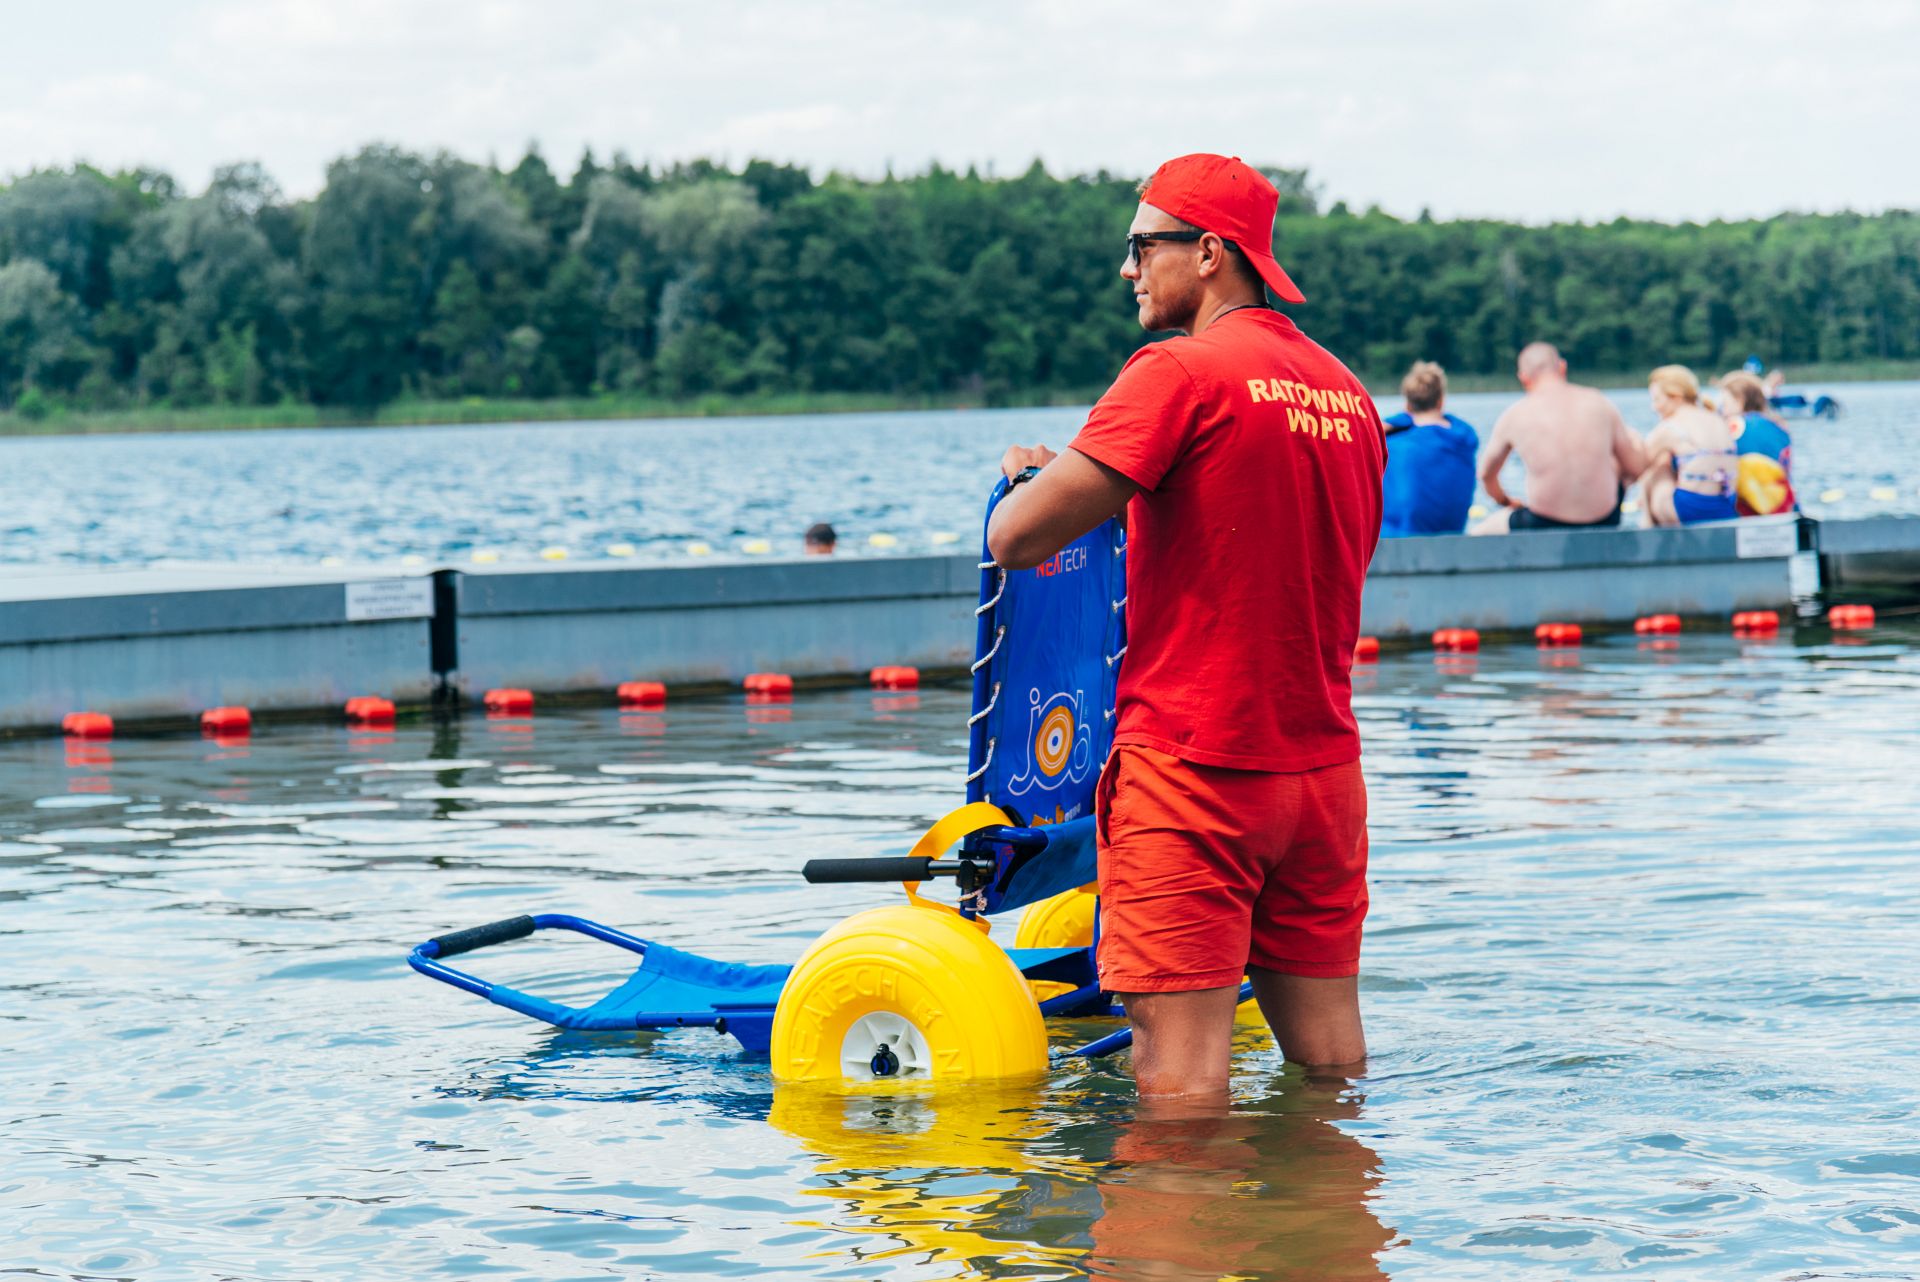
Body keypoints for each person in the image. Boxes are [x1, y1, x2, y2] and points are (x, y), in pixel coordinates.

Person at [984, 154, 1384, 1105]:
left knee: (1179, 1095)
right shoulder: (1347, 394)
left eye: (1140, 246)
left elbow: (1017, 538)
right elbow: (1262, 548)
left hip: (1195, 772)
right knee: (1330, 1072)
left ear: (1208, 253)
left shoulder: (1174, 373)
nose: (1127, 269)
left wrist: (1037, 475)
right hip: (1322, 779)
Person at [1471, 342, 1646, 533]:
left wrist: (1505, 501)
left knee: (1480, 532)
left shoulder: (1515, 414)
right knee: (1627, 443)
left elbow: (1486, 474)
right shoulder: (1599, 402)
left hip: (1543, 520)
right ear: (1562, 367)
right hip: (1604, 518)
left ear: (1524, 378)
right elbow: (1636, 468)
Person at [1380, 360, 1478, 536]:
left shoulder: (1391, 442)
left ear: (1408, 405)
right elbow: (1452, 423)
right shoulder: (1465, 439)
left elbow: (1376, 429)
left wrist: (1402, 419)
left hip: (1398, 538)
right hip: (1452, 535)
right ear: (1440, 401)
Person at [1636, 365, 1738, 525]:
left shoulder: (1670, 426)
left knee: (1656, 468)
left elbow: (1636, 467)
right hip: (1727, 506)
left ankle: (1646, 528)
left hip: (1690, 510)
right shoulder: (1716, 418)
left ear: (1676, 397)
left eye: (1657, 399)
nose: (1654, 407)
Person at [1718, 370, 1796, 516]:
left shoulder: (1735, 425)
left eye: (1725, 403)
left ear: (1739, 400)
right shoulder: (1778, 425)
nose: (1722, 410)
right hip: (1784, 503)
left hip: (1753, 507)